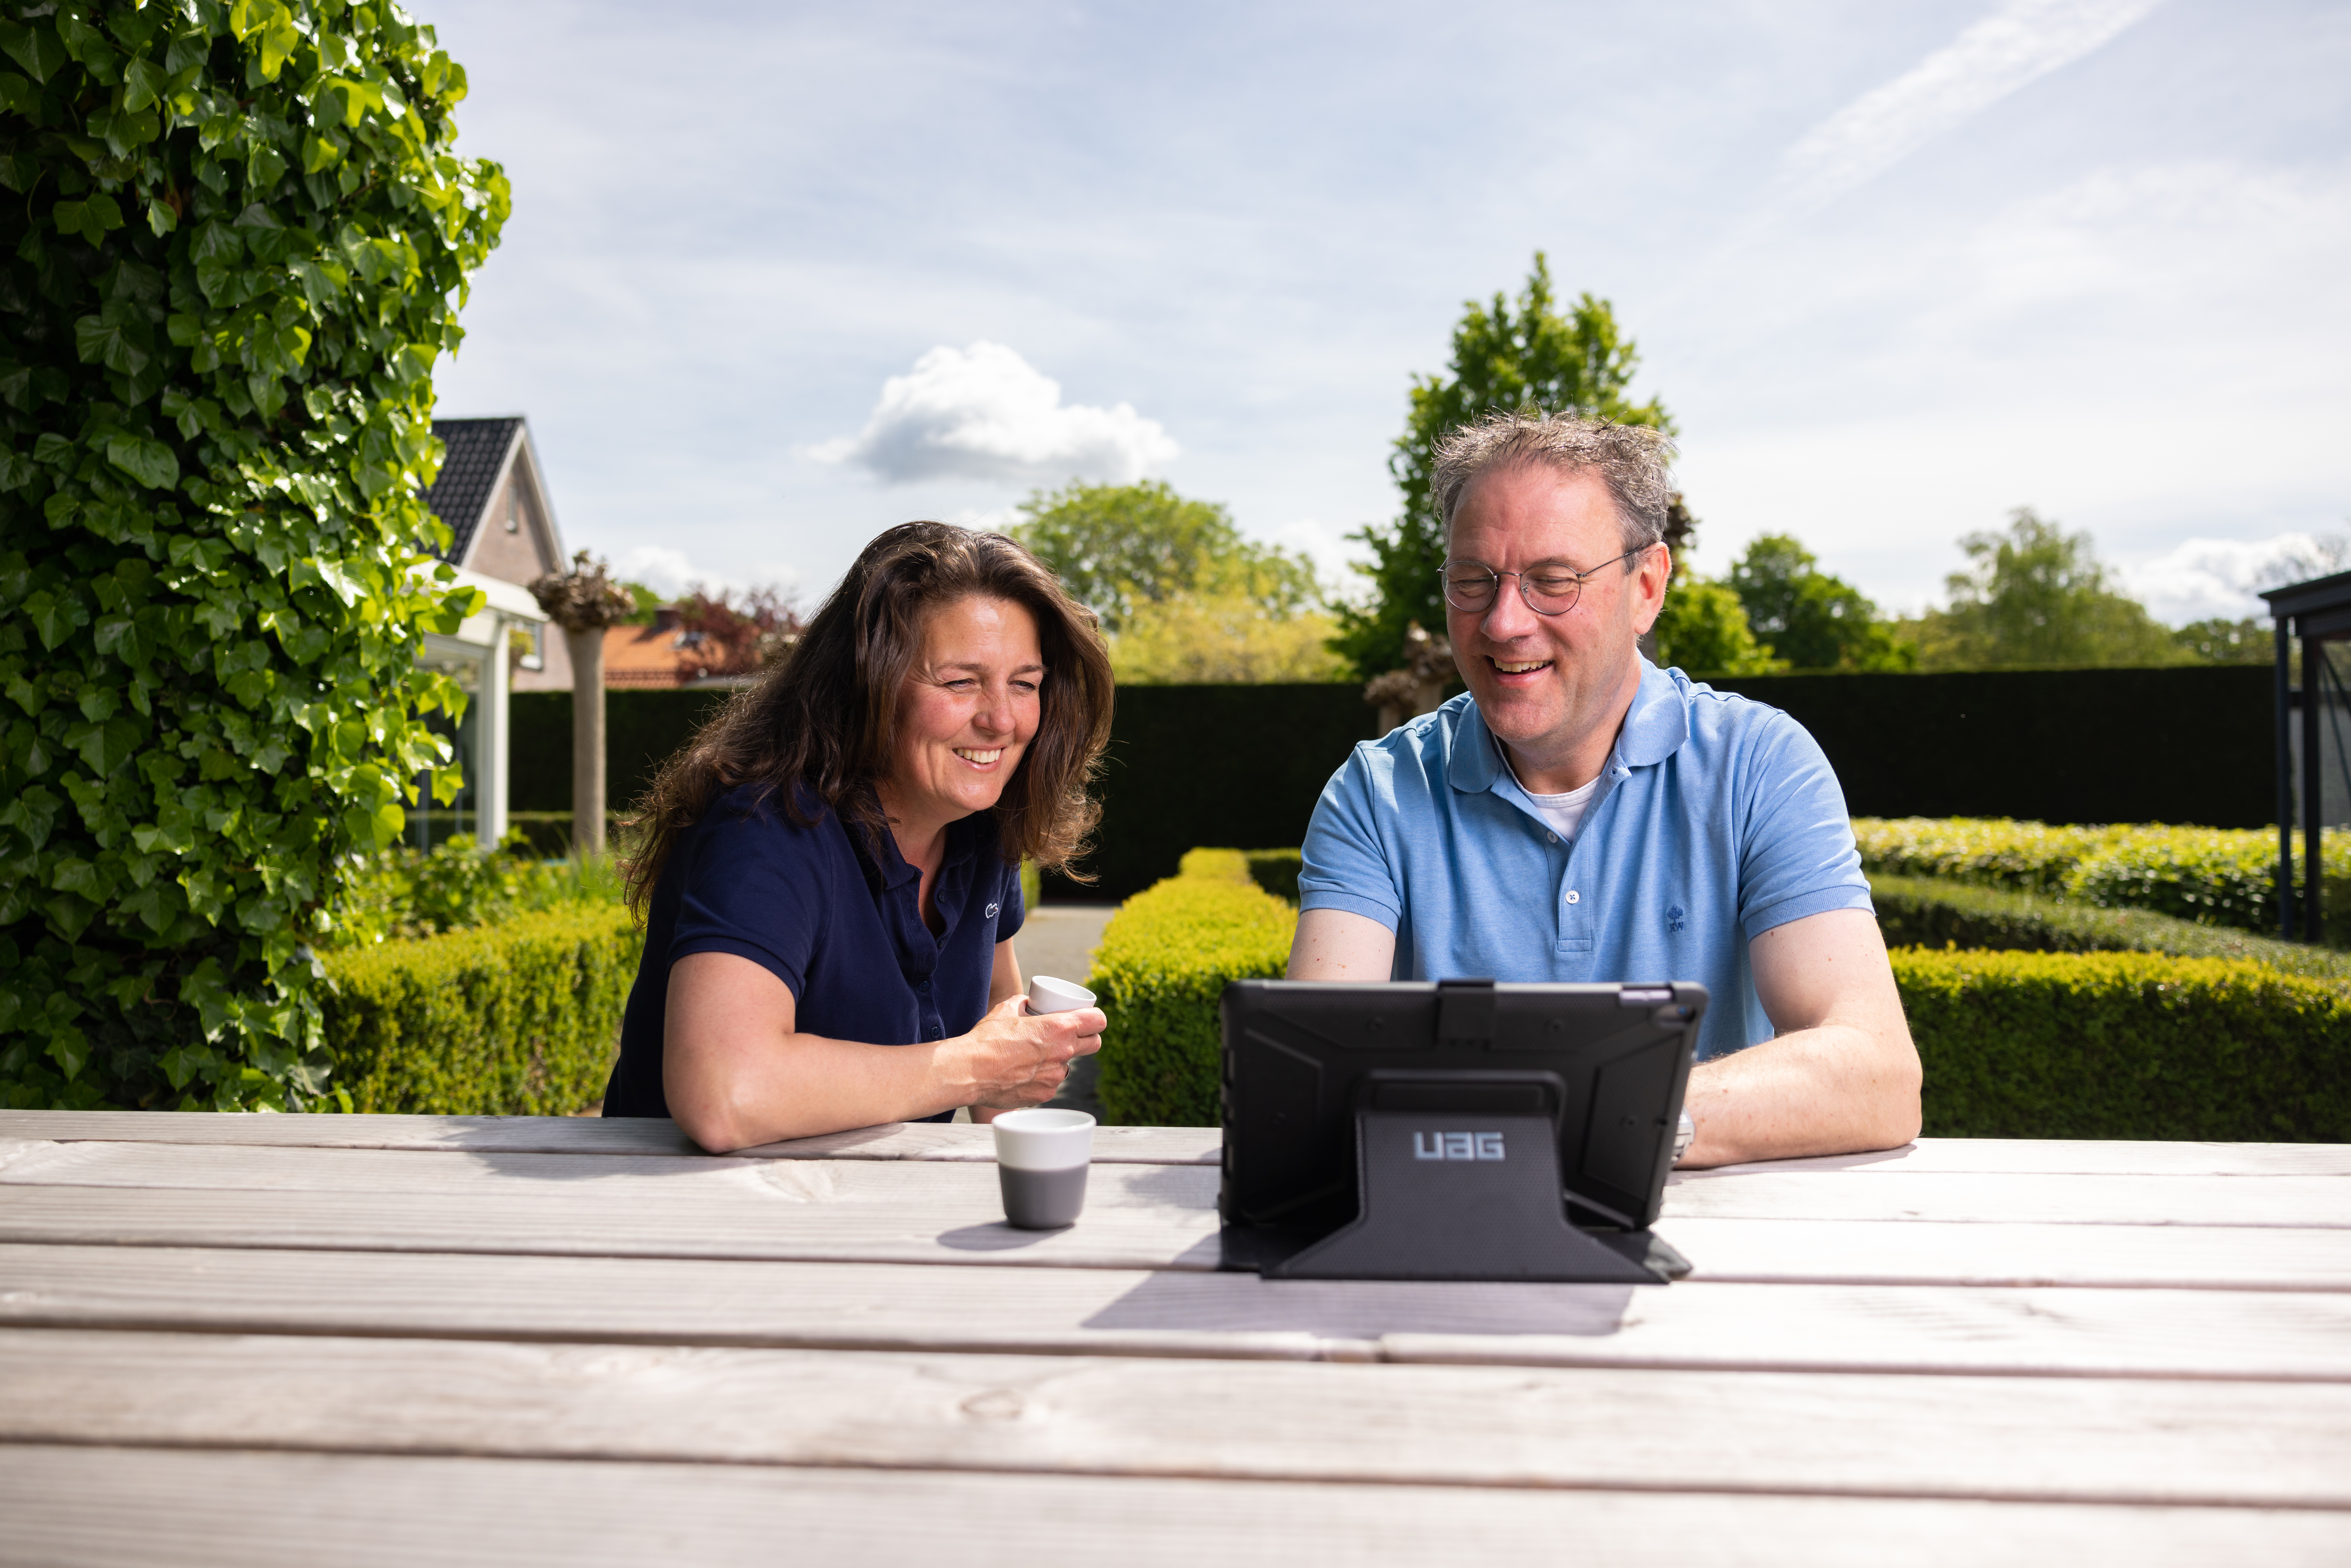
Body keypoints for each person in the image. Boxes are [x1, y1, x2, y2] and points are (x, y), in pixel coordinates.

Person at [1290, 413, 1920, 1168]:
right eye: (1472, 581)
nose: (1503, 622)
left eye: (1553, 581)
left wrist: (1604, 1117)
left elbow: (1877, 1075)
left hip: (1710, 1229)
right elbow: (1312, 1082)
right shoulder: (1377, 792)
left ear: (1645, 587)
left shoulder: (1760, 765)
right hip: (1448, 1222)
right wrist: (1596, 1116)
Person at [603, 522, 1115, 1152]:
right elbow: (723, 1094)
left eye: (1024, 683)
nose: (1002, 720)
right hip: (685, 1206)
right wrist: (979, 1065)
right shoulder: (765, 828)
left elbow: (996, 1016)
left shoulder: (981, 826)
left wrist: (1021, 1067)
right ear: (867, 685)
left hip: (872, 1201)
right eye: (960, 682)